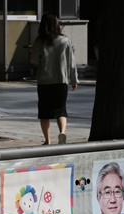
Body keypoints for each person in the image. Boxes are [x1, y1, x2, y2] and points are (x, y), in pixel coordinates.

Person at [30, 13, 78, 145]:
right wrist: (74, 80)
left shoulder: (39, 41)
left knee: (44, 112)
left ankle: (47, 140)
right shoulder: (65, 41)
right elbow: (71, 63)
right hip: (61, 81)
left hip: (45, 82)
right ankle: (62, 132)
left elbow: (33, 60)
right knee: (61, 110)